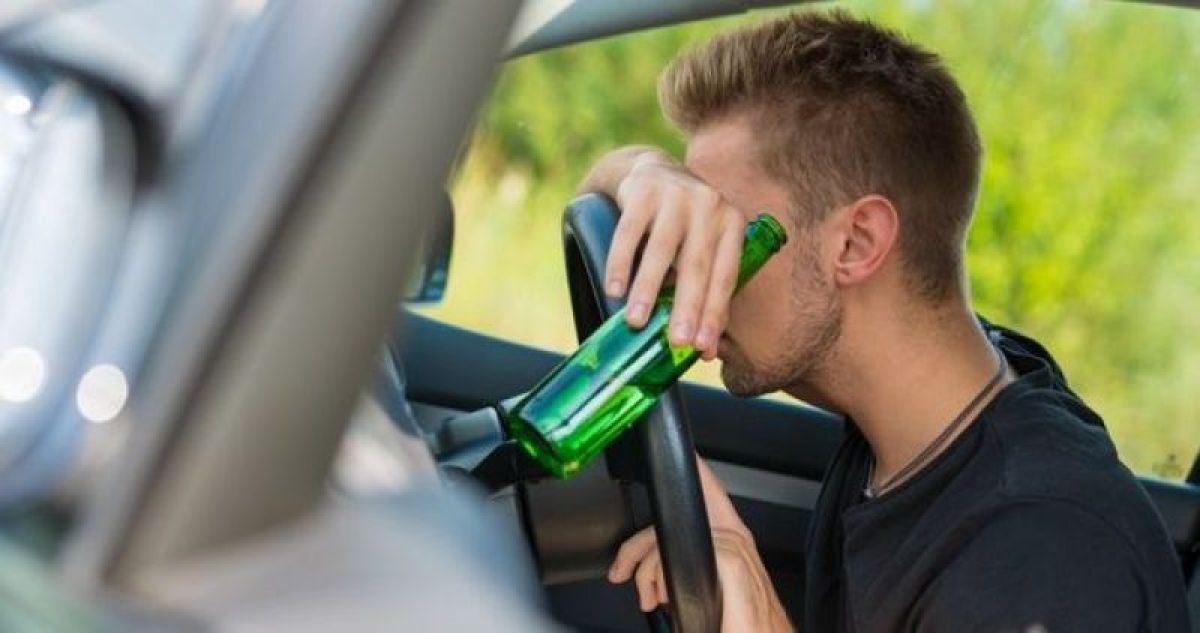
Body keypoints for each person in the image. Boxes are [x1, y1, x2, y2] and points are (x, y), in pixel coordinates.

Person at [579, 10, 1192, 632]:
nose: (688, 278)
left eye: (728, 236)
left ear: (856, 243)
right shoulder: (925, 414)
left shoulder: (1043, 561)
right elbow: (600, 188)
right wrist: (645, 171)